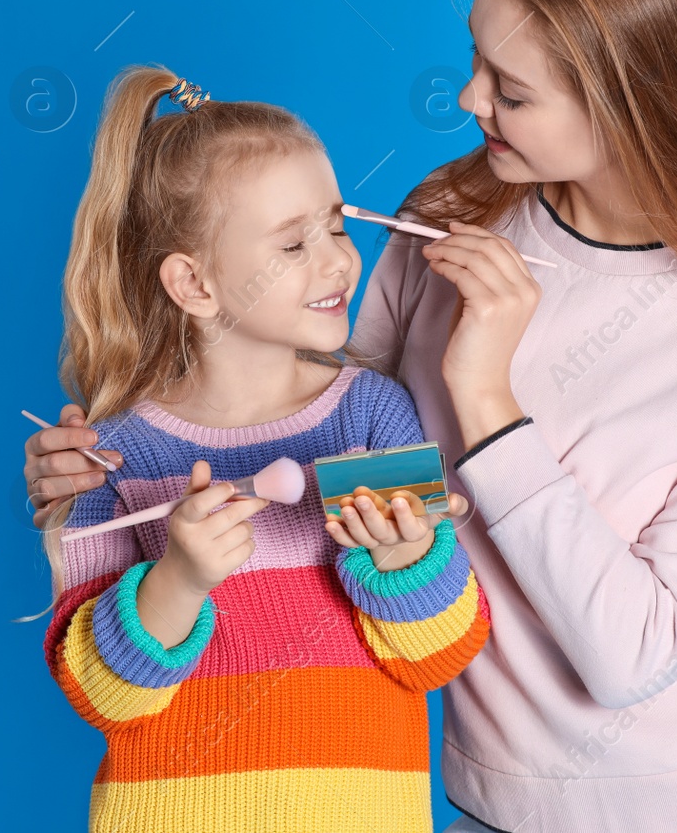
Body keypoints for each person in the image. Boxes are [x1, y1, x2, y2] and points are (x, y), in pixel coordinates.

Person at [25, 0, 677, 833]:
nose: (470, 98)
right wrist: (97, 474)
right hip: (488, 808)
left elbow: (634, 655)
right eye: (477, 58)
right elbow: (316, 431)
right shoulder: (448, 214)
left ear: (633, 102)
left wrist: (485, 398)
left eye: (510, 89)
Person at [33, 65, 491, 833]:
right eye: (293, 244)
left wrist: (409, 562)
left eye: (337, 226)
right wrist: (177, 579)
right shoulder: (109, 453)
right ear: (195, 284)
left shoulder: (374, 414)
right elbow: (99, 697)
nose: (338, 261)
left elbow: (438, 658)